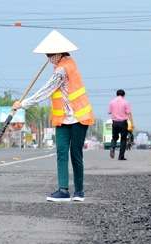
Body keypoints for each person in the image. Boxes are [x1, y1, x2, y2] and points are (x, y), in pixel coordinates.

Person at [11, 30, 95, 202]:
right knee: (61, 152)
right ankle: (63, 190)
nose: (48, 57)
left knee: (75, 154)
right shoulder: (60, 66)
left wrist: (23, 104)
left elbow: (46, 91)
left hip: (78, 117)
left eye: (50, 54)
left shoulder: (64, 68)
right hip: (62, 119)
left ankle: (79, 191)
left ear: (59, 53)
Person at [107, 89, 135, 160]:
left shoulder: (111, 102)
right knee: (123, 139)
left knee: (114, 138)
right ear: (124, 95)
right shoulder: (126, 102)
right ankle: (121, 156)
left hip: (115, 122)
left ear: (116, 95)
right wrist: (132, 123)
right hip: (123, 123)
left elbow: (109, 112)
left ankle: (112, 147)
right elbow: (128, 113)